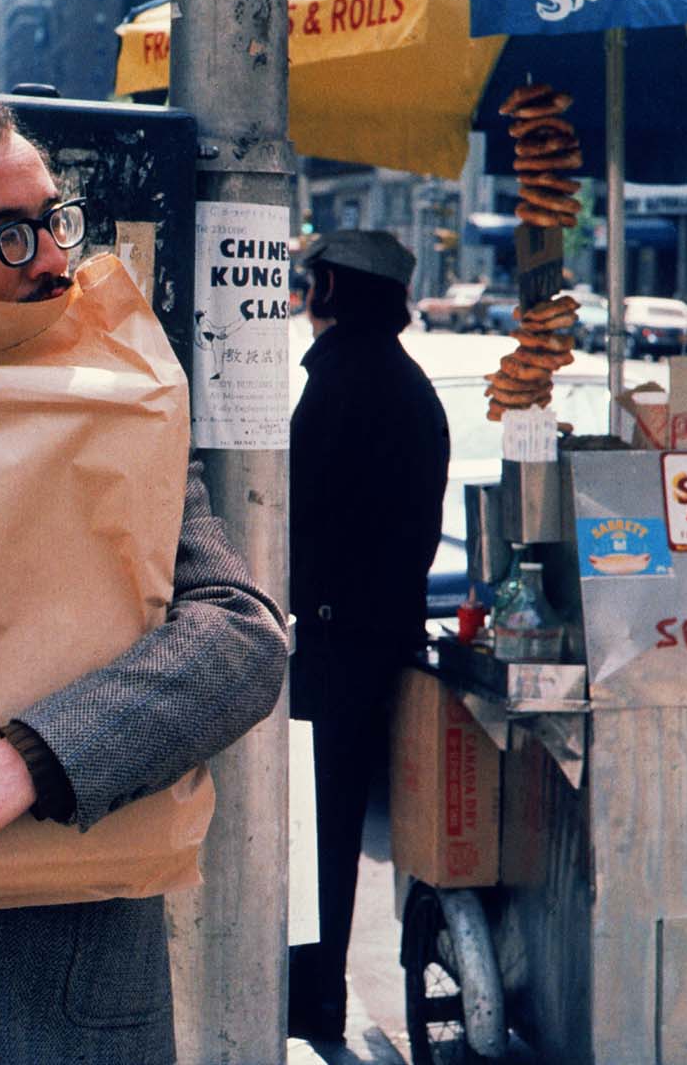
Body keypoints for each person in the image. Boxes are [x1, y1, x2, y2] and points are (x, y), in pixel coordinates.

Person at [0, 92, 288, 1065]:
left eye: (53, 219)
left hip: (79, 998)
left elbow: (238, 631)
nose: (56, 258)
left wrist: (37, 758)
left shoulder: (112, 399)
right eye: (7, 236)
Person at [288, 230, 450, 1044]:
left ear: (331, 288)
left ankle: (312, 997)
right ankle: (313, 993)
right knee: (333, 823)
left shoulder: (346, 379)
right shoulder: (402, 381)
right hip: (375, 633)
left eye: (309, 279)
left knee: (321, 827)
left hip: (336, 641)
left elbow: (298, 510)